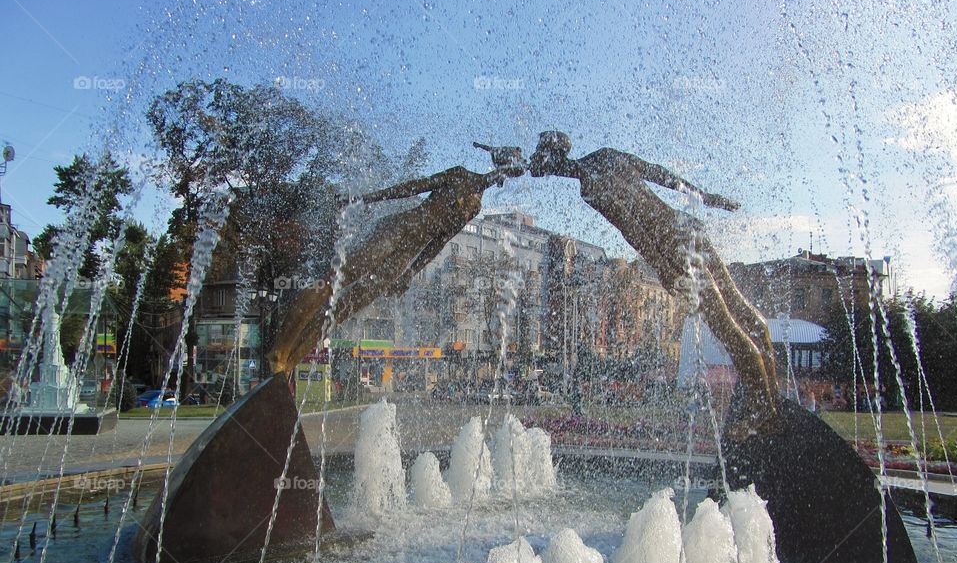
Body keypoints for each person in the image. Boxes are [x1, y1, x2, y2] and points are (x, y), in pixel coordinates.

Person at [528, 131, 779, 430]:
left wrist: (664, 269)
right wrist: (700, 195)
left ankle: (761, 408)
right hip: (685, 227)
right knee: (740, 308)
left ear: (554, 158)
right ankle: (772, 397)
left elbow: (633, 230)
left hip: (670, 247)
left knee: (723, 323)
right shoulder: (606, 155)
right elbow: (658, 174)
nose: (537, 165)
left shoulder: (590, 186)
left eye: (540, 159)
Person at [268, 144, 526, 373]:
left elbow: (438, 242)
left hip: (406, 254)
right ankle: (280, 349)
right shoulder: (461, 175)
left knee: (346, 308)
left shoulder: (475, 207)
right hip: (397, 229)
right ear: (501, 164)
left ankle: (288, 364)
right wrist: (366, 199)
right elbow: (412, 188)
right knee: (334, 283)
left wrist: (411, 272)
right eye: (509, 165)